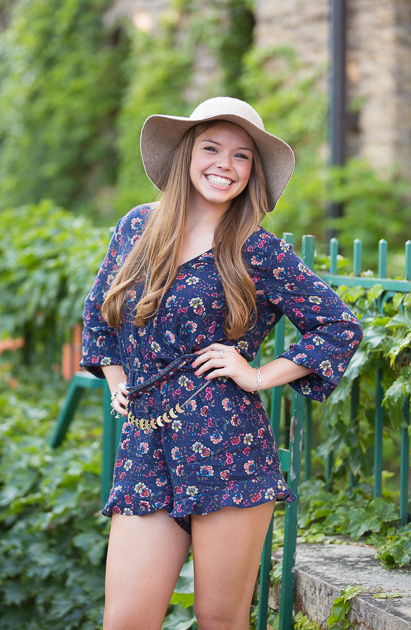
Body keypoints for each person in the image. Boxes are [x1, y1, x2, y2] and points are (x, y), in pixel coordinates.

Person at [80, 97, 363, 630]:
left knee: (218, 621)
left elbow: (338, 326)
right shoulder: (137, 228)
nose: (224, 166)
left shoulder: (259, 251)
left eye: (241, 157)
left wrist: (258, 375)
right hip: (146, 444)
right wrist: (119, 382)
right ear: (188, 153)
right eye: (212, 148)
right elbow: (100, 321)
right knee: (125, 621)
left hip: (228, 447)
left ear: (252, 172)